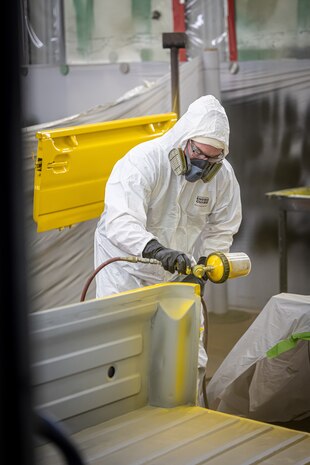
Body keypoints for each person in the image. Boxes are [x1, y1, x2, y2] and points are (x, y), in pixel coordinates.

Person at [94, 94, 242, 405]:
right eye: (200, 154)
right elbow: (121, 223)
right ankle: (122, 418)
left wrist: (204, 267)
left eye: (213, 159)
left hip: (178, 272)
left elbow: (223, 227)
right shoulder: (142, 162)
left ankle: (186, 415)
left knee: (188, 351)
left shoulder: (222, 177)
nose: (204, 166)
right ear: (184, 140)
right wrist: (156, 250)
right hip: (127, 270)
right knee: (122, 349)